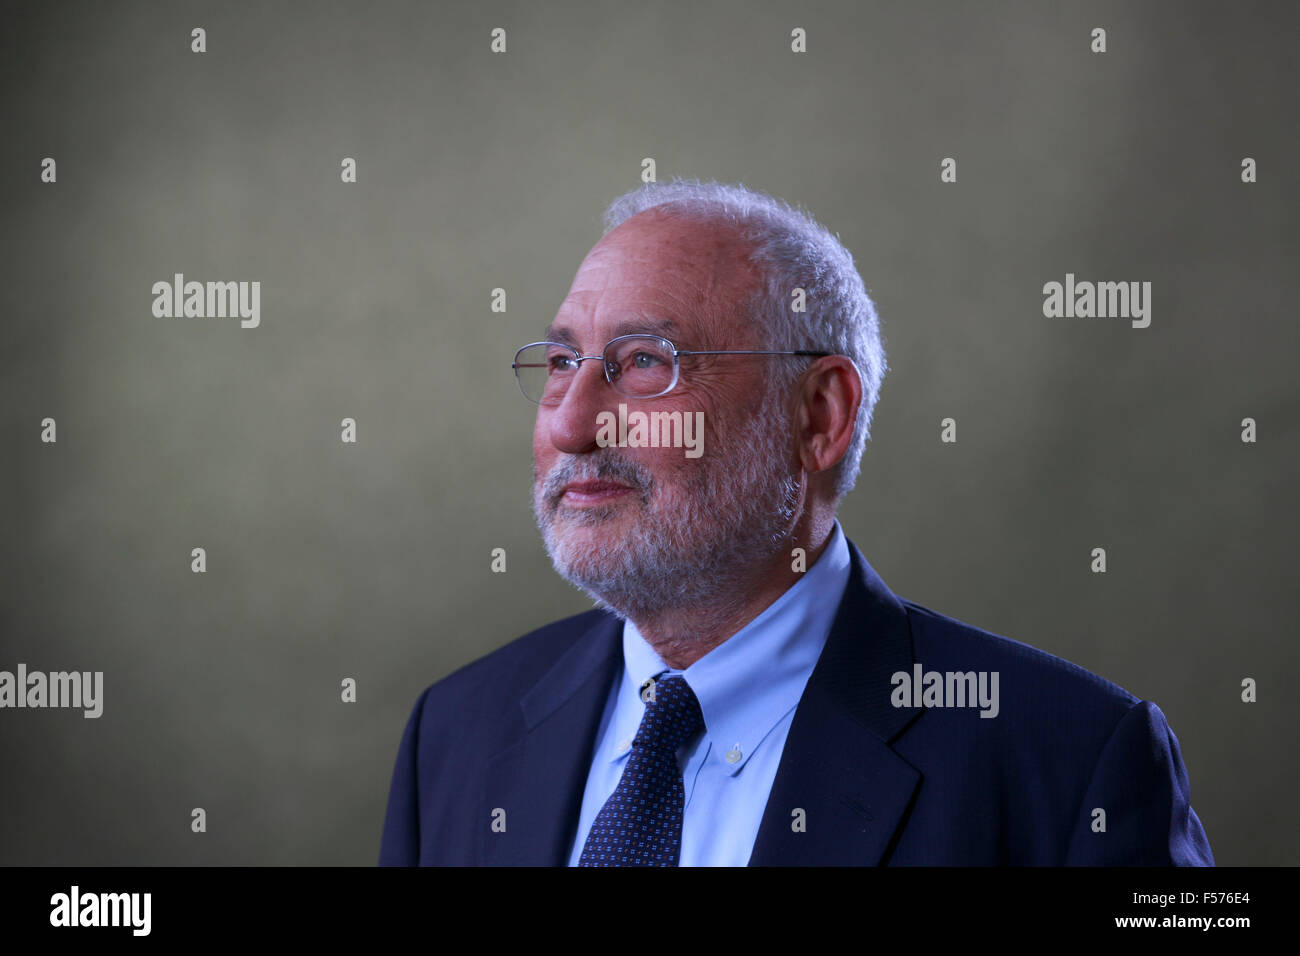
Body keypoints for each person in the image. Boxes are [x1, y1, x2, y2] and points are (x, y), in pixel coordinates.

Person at [379, 178, 1214, 866]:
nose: (570, 425)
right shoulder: (454, 734)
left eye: (643, 365)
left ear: (819, 415)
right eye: (563, 363)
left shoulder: (1072, 764)